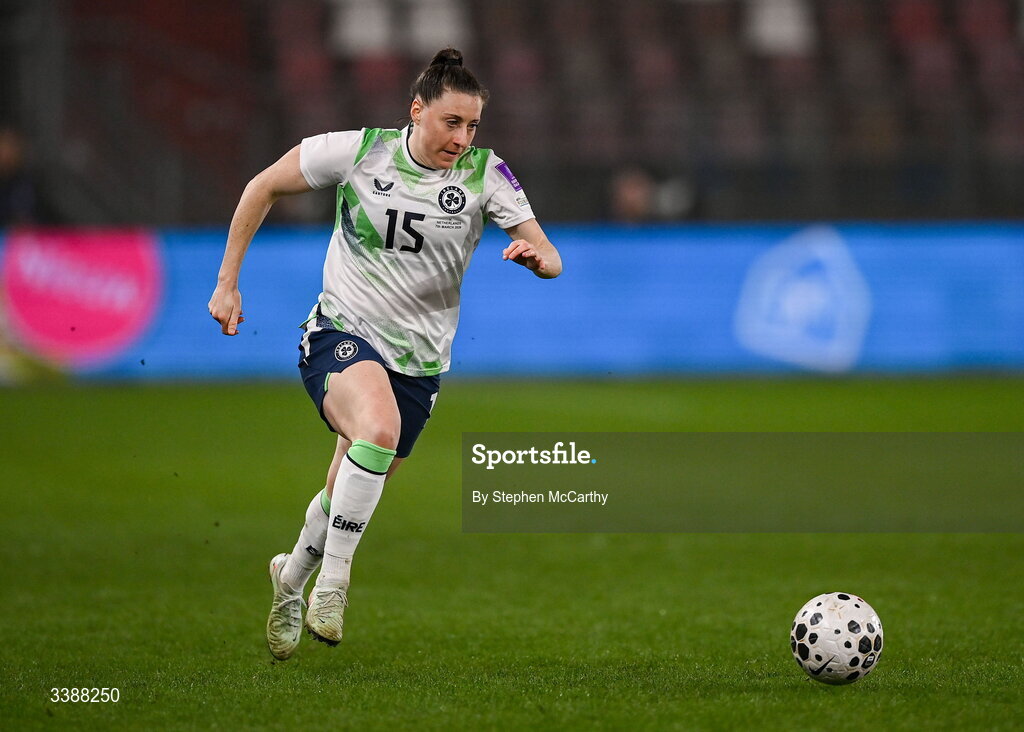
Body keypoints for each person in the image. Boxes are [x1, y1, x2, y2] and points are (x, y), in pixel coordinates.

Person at [208, 48, 562, 660]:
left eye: (473, 125)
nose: (463, 137)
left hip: (420, 363)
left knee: (350, 482)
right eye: (452, 122)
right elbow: (262, 186)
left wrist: (536, 260)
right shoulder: (358, 151)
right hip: (341, 331)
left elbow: (551, 255)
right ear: (416, 110)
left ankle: (290, 580)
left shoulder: (486, 174)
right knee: (376, 428)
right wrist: (226, 282)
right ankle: (335, 586)